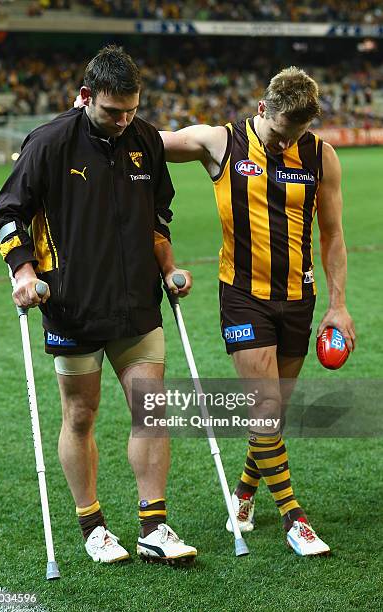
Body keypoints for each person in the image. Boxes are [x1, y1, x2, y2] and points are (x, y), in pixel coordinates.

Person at [0, 45, 197, 565]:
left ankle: (155, 525)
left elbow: (157, 219)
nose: (123, 121)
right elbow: (8, 215)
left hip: (135, 307)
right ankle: (94, 526)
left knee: (153, 410)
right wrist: (24, 272)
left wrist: (168, 266)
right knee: (81, 415)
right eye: (111, 111)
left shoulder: (145, 140)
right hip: (73, 307)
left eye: (132, 109)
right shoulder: (50, 142)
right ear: (85, 97)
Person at [160, 66, 356, 556]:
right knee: (265, 408)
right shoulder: (220, 142)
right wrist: (85, 120)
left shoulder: (320, 156)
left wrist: (339, 305)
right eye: (276, 132)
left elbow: (331, 234)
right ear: (262, 108)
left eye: (294, 135)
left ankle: (245, 490)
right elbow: (149, 141)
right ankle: (295, 518)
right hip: (242, 295)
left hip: (298, 298)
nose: (281, 142)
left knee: (274, 414)